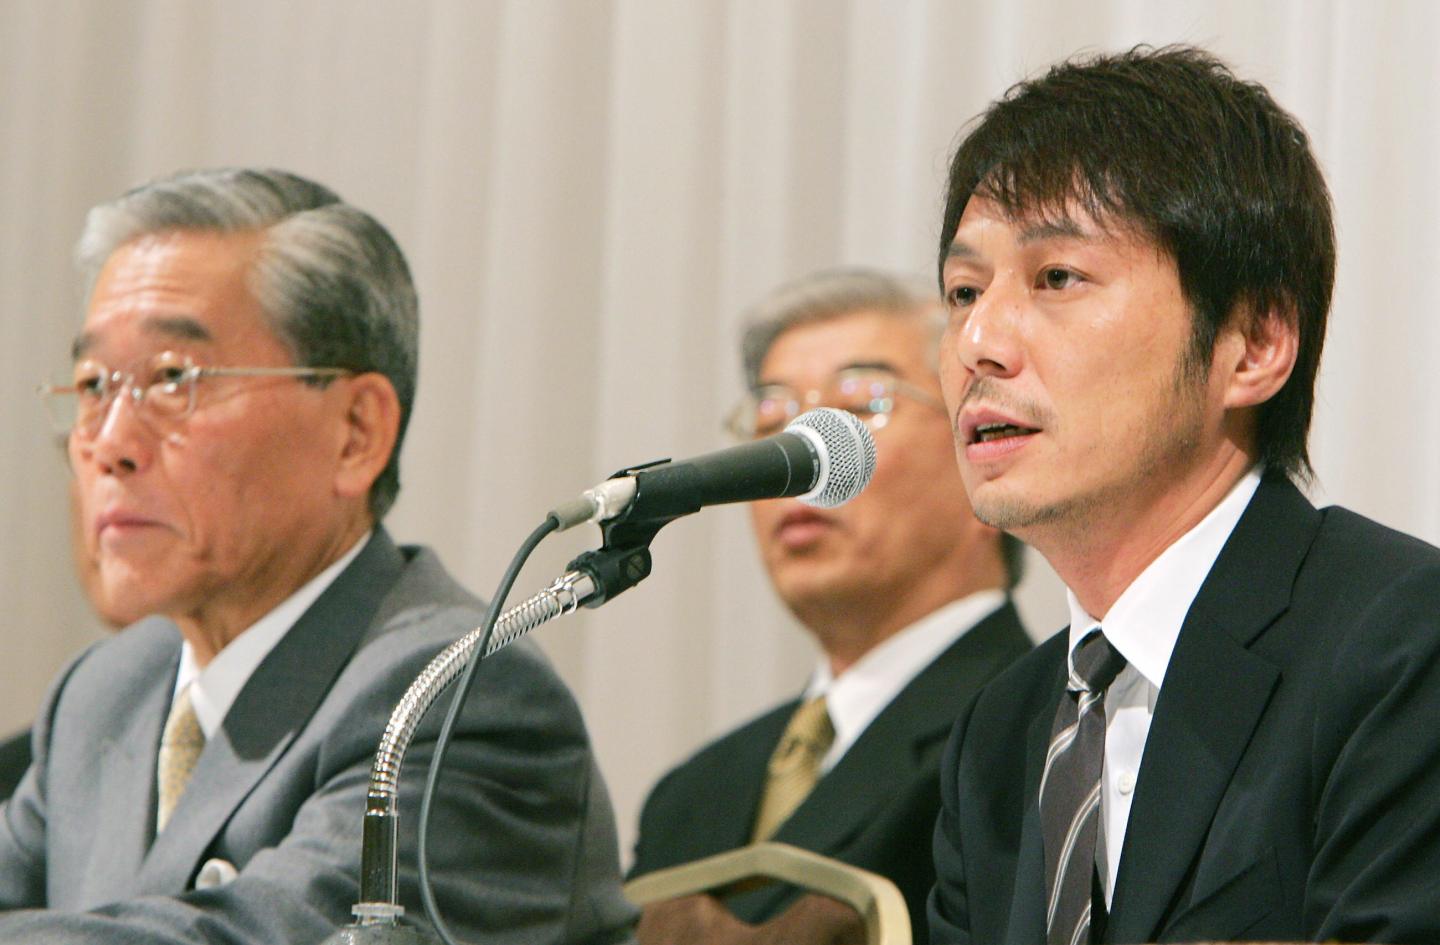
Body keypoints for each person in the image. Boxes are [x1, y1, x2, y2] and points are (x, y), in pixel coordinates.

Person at [0, 167, 637, 944]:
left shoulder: (456, 694)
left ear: (356, 433)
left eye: (173, 378)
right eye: (93, 384)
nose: (107, 443)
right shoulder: (108, 691)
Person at [928, 45, 1440, 945]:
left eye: (1057, 278)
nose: (979, 339)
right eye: (964, 290)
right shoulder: (999, 734)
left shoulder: (1400, 646)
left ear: (1252, 345)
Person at [630, 268, 1031, 942]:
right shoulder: (690, 794)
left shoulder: (1031, 733)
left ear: (985, 449)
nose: (801, 456)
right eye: (774, 416)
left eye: (862, 403)